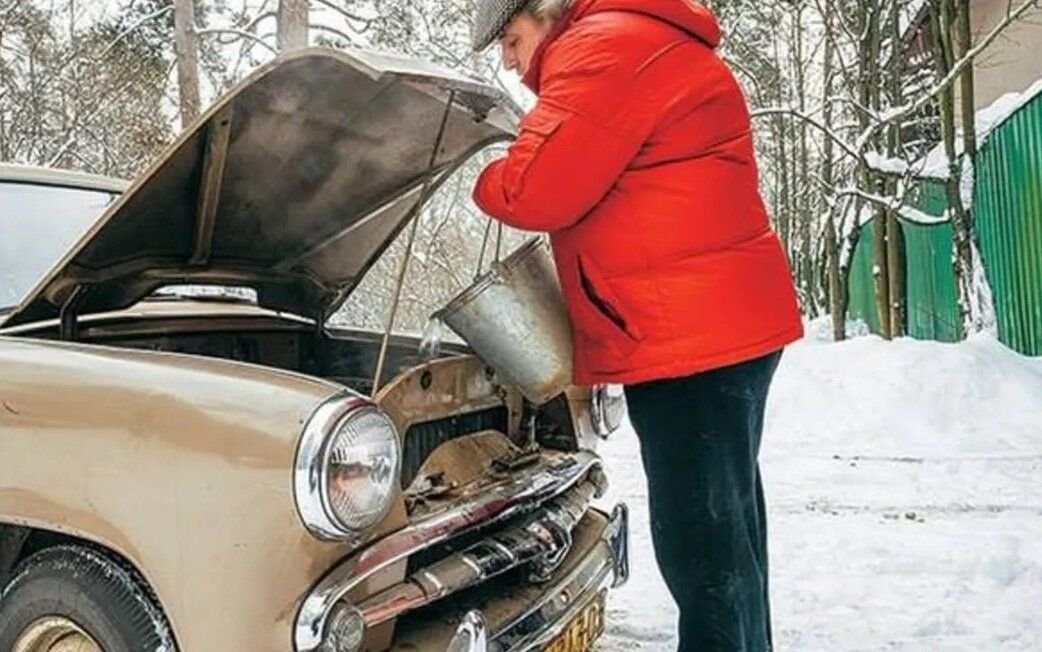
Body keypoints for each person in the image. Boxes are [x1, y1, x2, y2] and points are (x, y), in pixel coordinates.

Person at [469, 0, 803, 650]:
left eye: (511, 40)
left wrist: (484, 173)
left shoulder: (599, 50)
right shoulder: (627, 40)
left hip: (690, 339)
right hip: (709, 326)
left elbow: (533, 190)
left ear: (545, 13)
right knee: (727, 534)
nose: (508, 60)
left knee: (701, 548)